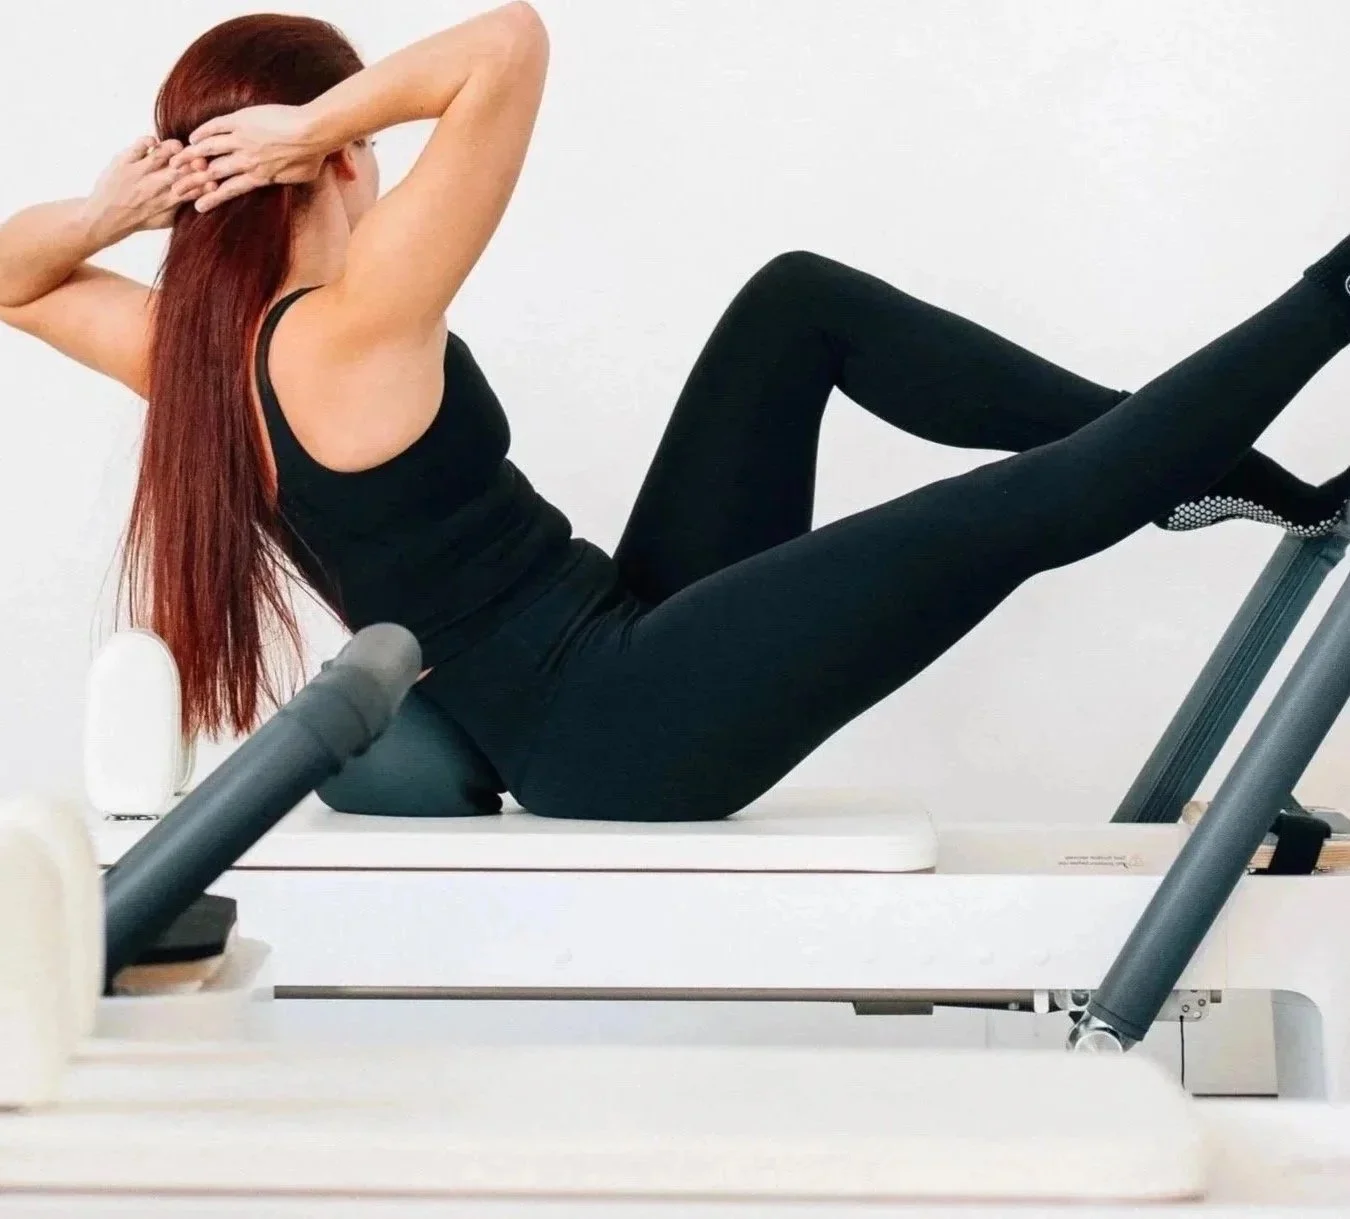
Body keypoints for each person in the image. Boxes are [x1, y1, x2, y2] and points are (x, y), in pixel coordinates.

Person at [4, 4, 1350, 823]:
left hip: (618, 644)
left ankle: (1175, 460)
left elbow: (13, 278)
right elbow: (508, 43)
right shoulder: (356, 316)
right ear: (340, 157)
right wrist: (314, 121)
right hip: (619, 726)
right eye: (354, 144)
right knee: (1007, 513)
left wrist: (112, 214)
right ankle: (1309, 320)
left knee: (796, 306)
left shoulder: (188, 360)